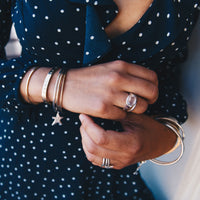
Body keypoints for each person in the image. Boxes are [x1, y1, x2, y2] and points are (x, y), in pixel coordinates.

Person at [0, 0, 199, 199]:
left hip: (113, 187)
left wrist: (158, 141)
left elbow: (165, 78)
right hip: (19, 171)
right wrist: (54, 84)